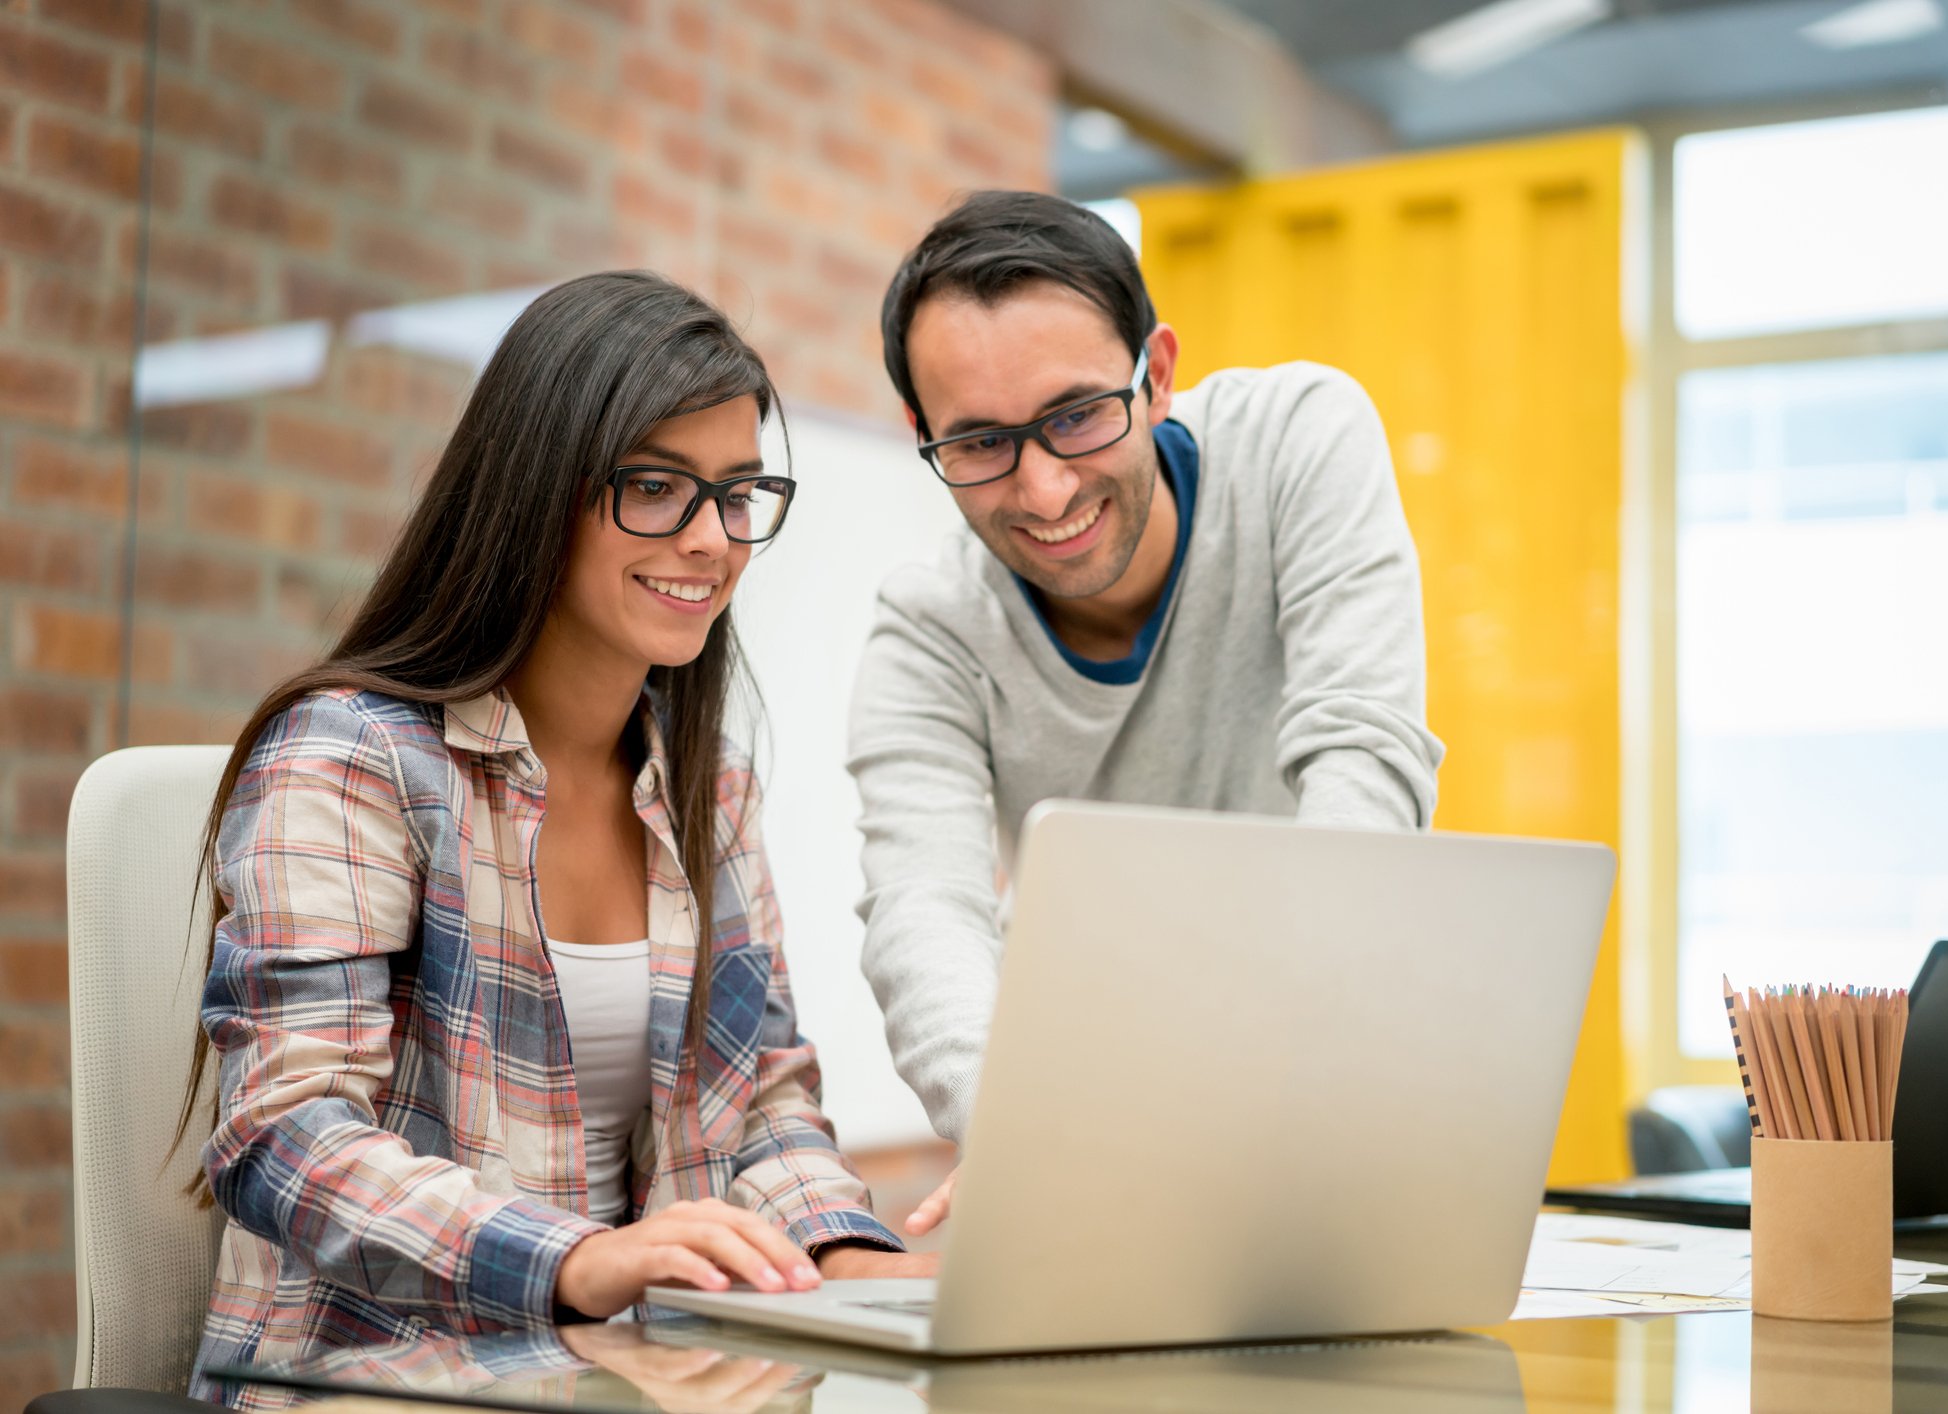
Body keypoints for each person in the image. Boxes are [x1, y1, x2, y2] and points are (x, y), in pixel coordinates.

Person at [183, 272, 928, 1406]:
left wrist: (854, 1261)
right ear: (539, 488)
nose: (709, 539)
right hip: (377, 1379)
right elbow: (288, 1137)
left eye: (737, 494)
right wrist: (576, 1258)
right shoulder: (352, 758)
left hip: (634, 1377)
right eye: (654, 486)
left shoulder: (704, 785)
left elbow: (763, 1101)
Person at [852, 192, 1446, 1233]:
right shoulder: (927, 628)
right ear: (921, 433)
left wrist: (1299, 1076)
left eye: (1077, 414)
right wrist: (1020, 1133)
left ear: (1156, 375)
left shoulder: (1295, 441)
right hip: (1094, 1136)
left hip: (1333, 1092)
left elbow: (1361, 754)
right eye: (979, 443)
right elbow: (923, 911)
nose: (1041, 489)